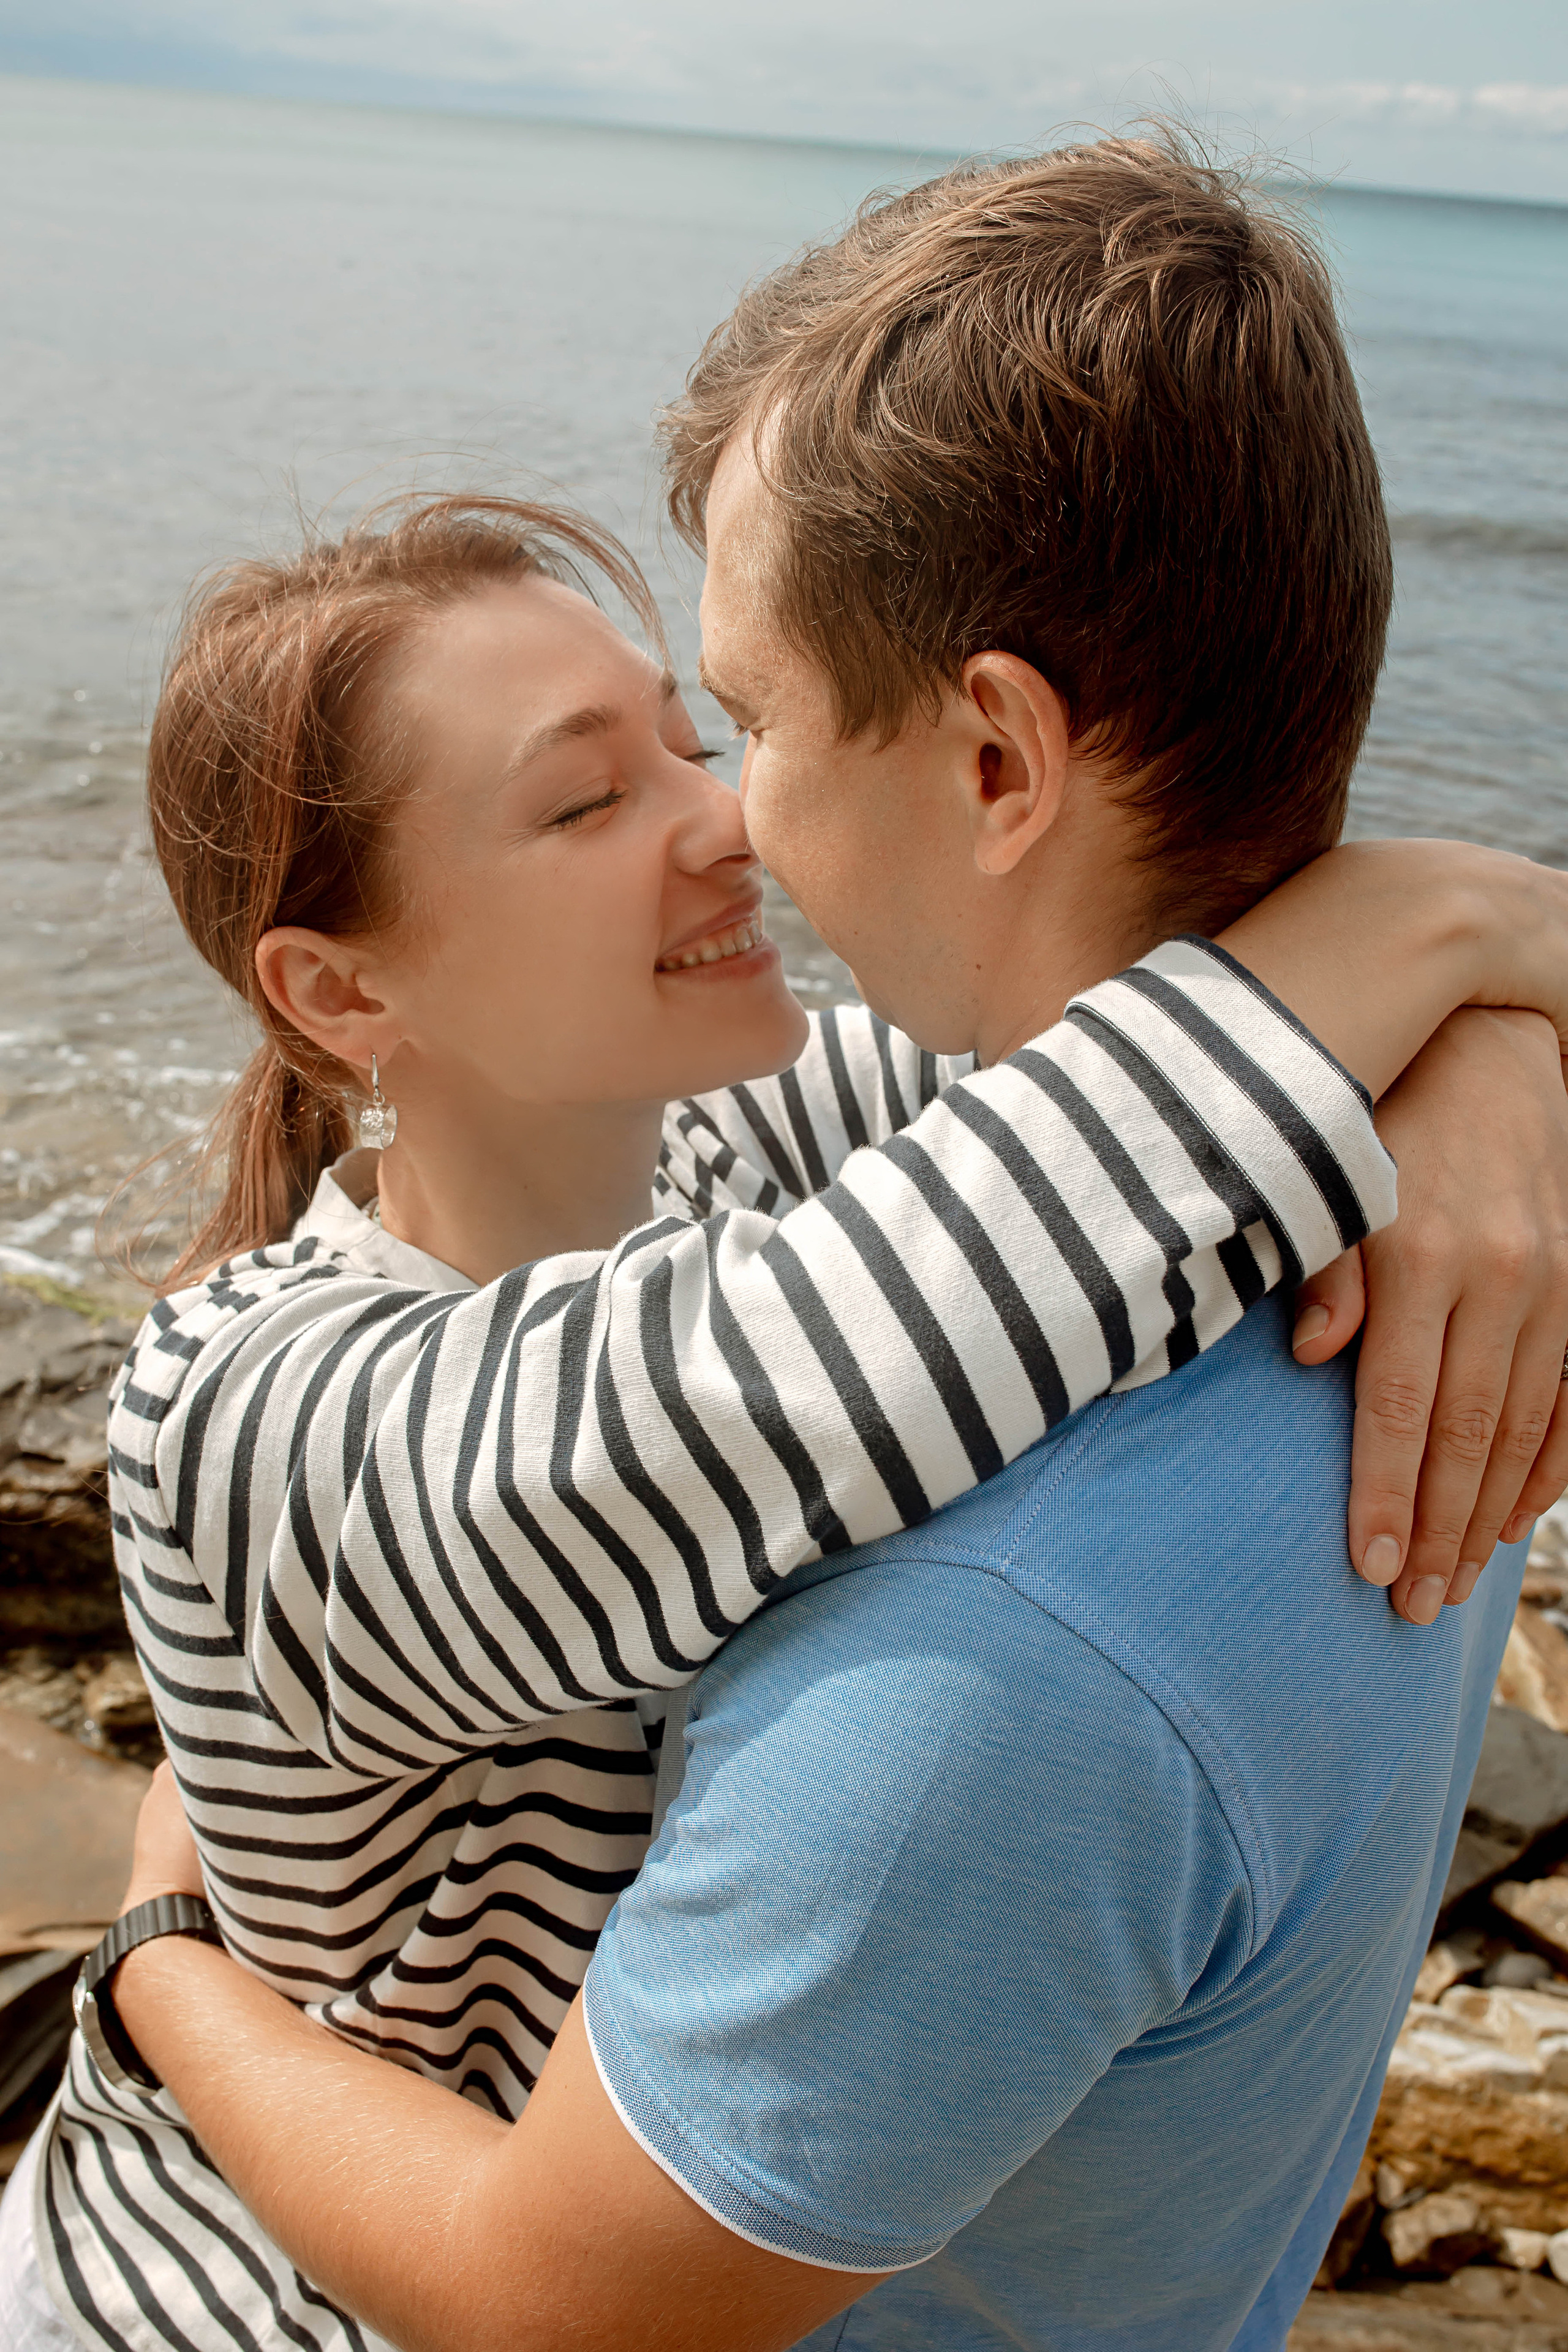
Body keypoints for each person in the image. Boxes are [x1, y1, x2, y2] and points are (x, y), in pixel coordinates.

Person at [9, 135, 1568, 2352]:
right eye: (596, 791)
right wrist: (1478, 938)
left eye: (716, 722)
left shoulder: (776, 1156)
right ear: (342, 994)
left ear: (997, 760)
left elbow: (1050, 1165)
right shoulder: (247, 1404)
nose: (723, 813)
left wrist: (1491, 1032)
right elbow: (838, 1339)